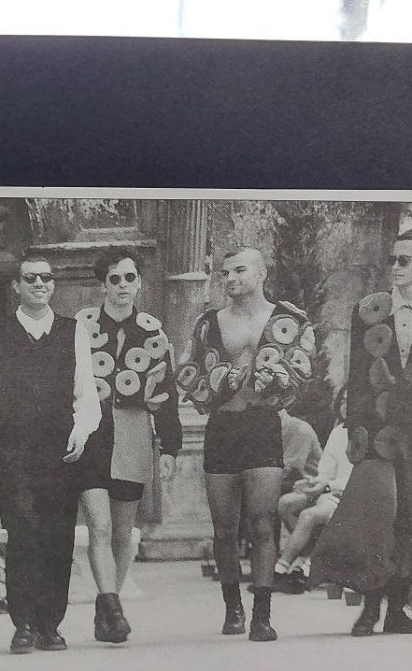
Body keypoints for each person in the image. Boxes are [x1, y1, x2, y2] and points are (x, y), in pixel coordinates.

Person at [311, 226, 412, 636]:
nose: (394, 267)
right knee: (375, 518)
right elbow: (357, 377)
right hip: (376, 434)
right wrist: (355, 428)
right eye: (392, 260)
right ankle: (368, 609)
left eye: (404, 260)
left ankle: (397, 610)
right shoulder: (368, 309)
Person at [177, 247, 315, 641]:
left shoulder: (289, 320)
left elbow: (303, 373)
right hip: (222, 428)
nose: (231, 278)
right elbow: (186, 373)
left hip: (262, 427)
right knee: (223, 528)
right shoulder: (209, 322)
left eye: (240, 270)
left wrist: (274, 382)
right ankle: (232, 607)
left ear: (261, 273)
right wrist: (216, 385)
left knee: (262, 522)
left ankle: (262, 614)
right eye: (225, 273)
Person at [0, 253, 101, 654]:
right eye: (30, 278)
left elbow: (86, 392)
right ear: (17, 286)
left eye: (46, 278)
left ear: (53, 285)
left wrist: (81, 432)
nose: (39, 284)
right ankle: (23, 622)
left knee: (58, 538)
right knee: (23, 534)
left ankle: (51, 624)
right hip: (14, 454)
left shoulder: (72, 331)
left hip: (60, 453)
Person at [74, 247, 180, 644]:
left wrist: (169, 447)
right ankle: (113, 609)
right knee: (99, 526)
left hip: (134, 433)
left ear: (139, 282)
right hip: (91, 433)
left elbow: (166, 393)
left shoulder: (153, 332)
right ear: (102, 284)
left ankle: (108, 607)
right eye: (114, 279)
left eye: (129, 278)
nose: (122, 286)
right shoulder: (79, 328)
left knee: (122, 531)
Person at [275, 389, 351, 592]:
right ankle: (307, 559)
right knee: (285, 504)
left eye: (350, 402)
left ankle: (281, 569)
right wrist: (312, 481)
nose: (345, 406)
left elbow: (358, 478)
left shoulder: (364, 435)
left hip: (352, 497)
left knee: (309, 515)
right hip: (329, 493)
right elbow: (326, 471)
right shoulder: (338, 432)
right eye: (342, 401)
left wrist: (326, 486)